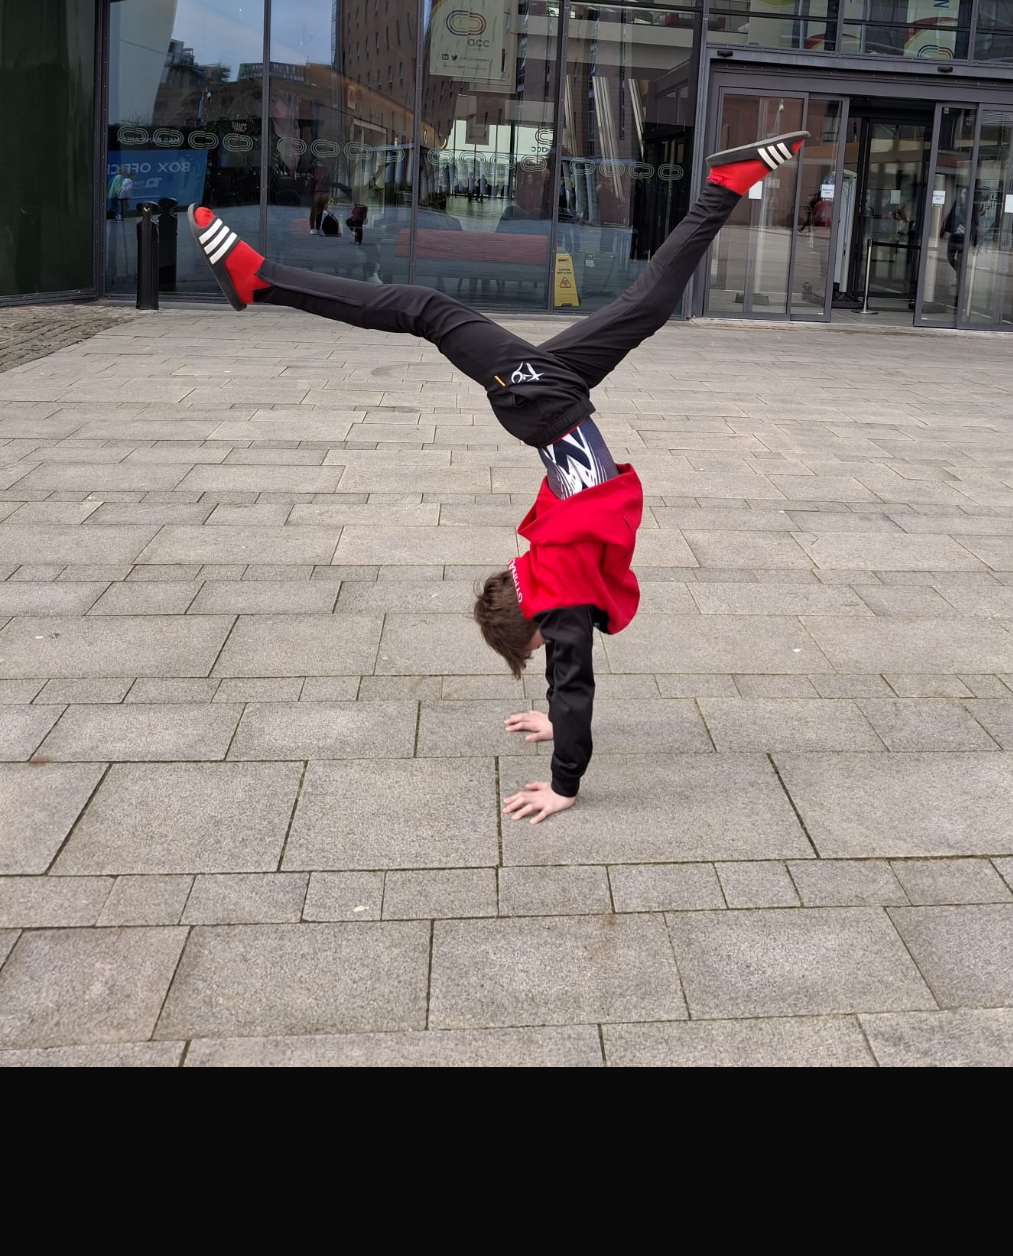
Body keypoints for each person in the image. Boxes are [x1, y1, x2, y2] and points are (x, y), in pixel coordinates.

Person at [187, 124, 808, 823]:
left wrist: (562, 766)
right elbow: (571, 683)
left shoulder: (558, 590)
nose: (552, 652)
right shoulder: (553, 585)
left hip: (541, 403)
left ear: (535, 622)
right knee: (640, 309)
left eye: (538, 646)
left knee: (428, 310)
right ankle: (722, 185)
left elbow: (572, 682)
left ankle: (263, 280)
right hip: (550, 400)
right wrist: (558, 741)